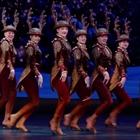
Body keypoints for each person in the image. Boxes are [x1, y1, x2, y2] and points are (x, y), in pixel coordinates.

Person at [7, 8, 45, 132]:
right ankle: (15, 116)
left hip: (32, 75)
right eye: (35, 36)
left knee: (36, 101)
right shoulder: (30, 48)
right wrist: (38, 74)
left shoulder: (35, 46)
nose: (37, 38)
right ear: (31, 36)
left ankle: (20, 122)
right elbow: (32, 63)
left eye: (38, 36)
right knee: (35, 101)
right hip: (29, 75)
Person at [63, 19, 91, 130]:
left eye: (85, 36)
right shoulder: (76, 50)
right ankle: (69, 116)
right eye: (81, 37)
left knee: (86, 101)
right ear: (77, 39)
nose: (83, 38)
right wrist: (84, 75)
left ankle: (74, 121)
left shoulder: (84, 49)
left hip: (84, 76)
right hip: (79, 76)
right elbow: (78, 65)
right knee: (86, 100)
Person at [104, 17, 132, 128]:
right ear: (118, 43)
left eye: (126, 42)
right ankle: (112, 115)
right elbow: (120, 66)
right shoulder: (119, 54)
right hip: (116, 80)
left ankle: (109, 119)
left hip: (119, 79)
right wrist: (123, 76)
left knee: (124, 100)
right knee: (128, 100)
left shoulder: (124, 53)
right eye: (123, 42)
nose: (125, 44)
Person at [49, 2, 72, 135]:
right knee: (66, 98)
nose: (64, 30)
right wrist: (63, 69)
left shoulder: (65, 41)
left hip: (65, 72)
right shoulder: (57, 41)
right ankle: (54, 121)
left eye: (66, 29)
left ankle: (57, 124)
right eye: (62, 28)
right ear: (57, 30)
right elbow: (59, 58)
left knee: (62, 100)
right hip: (59, 72)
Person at [86, 27, 113, 133]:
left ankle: (91, 122)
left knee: (105, 101)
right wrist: (104, 71)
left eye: (105, 36)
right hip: (98, 78)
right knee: (108, 101)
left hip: (105, 78)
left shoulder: (106, 48)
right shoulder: (96, 49)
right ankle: (91, 119)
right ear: (97, 38)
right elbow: (97, 63)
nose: (104, 38)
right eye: (102, 37)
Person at [0, 8, 18, 128]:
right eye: (8, 32)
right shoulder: (4, 43)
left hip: (10, 71)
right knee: (6, 96)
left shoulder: (11, 44)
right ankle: (6, 118)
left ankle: (7, 119)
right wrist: (11, 68)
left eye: (12, 32)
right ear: (4, 33)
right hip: (4, 71)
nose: (10, 34)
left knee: (12, 94)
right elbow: (7, 58)